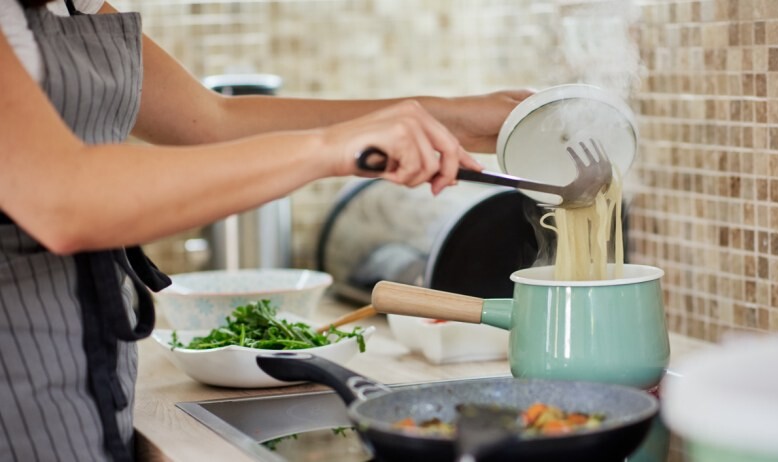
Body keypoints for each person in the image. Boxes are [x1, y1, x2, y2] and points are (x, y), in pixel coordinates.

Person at [0, 0, 531, 460]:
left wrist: (450, 118)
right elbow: (64, 200)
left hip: (85, 359)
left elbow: (210, 121)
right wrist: (330, 149)